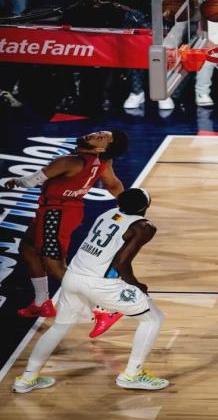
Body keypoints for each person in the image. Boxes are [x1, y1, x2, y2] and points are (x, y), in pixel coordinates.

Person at [12, 188, 168, 393]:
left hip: (72, 277)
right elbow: (122, 263)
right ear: (146, 206)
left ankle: (27, 379)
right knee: (153, 319)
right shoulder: (144, 227)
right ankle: (132, 375)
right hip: (99, 284)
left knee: (59, 328)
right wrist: (137, 285)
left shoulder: (107, 214)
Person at [4, 130, 129, 338]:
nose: (94, 135)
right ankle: (41, 302)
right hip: (65, 211)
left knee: (55, 266)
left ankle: (104, 309)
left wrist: (14, 181)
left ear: (100, 149)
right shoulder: (103, 162)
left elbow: (30, 182)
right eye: (99, 133)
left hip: (55, 213)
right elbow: (113, 184)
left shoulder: (68, 161)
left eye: (100, 138)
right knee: (28, 247)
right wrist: (127, 205)